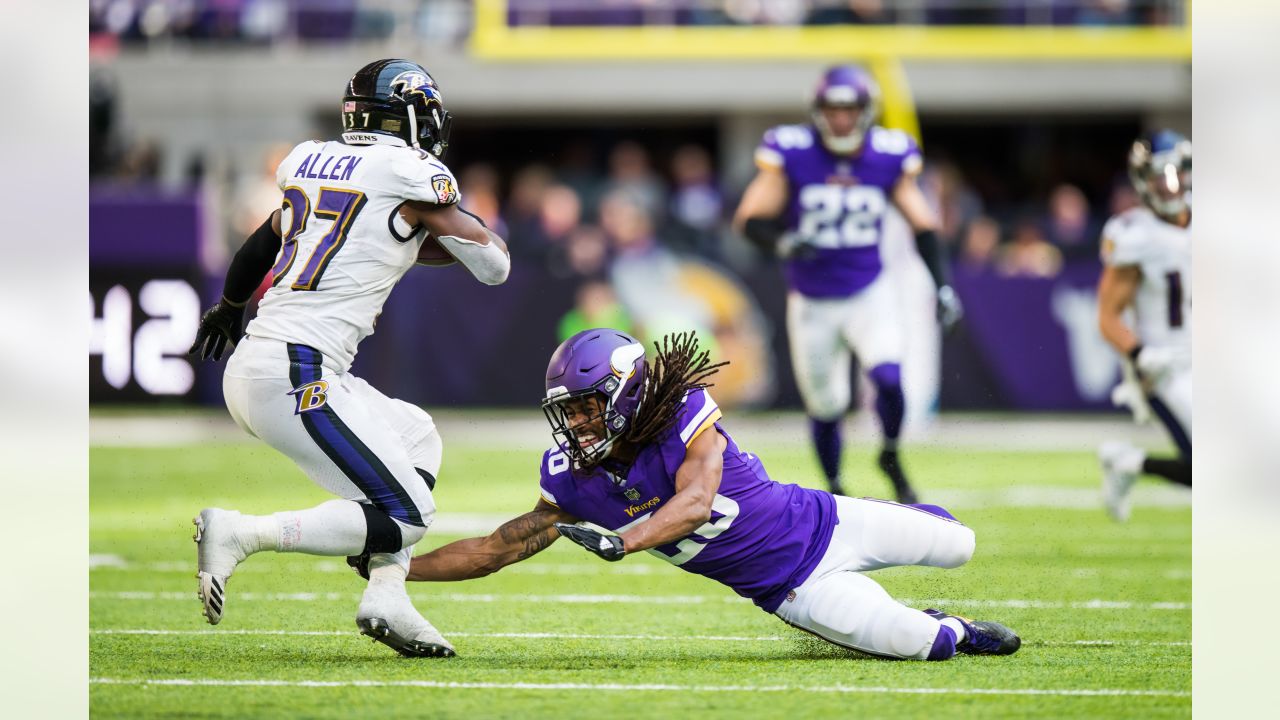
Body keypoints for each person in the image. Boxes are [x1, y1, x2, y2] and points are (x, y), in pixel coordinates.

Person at [355, 329, 1021, 661]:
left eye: (589, 408)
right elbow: (500, 547)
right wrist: (398, 564)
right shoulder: (572, 480)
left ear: (623, 395)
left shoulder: (682, 410)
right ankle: (948, 624)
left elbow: (697, 500)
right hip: (795, 590)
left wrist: (624, 540)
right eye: (571, 412)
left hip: (830, 519)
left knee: (960, 544)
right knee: (924, 644)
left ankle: (914, 564)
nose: (578, 424)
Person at [186, 59, 510, 657]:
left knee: (417, 437)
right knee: (410, 512)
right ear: (412, 116)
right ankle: (242, 533)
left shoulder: (310, 158)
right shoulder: (407, 169)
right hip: (296, 369)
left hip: (273, 359)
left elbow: (263, 240)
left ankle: (386, 594)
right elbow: (494, 267)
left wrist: (229, 306)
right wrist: (463, 230)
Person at [732, 65, 962, 502]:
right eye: (833, 109)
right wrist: (782, 241)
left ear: (865, 112)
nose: (841, 119)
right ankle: (836, 488)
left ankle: (890, 454)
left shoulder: (888, 155)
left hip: (867, 292)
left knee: (890, 378)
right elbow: (748, 219)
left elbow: (924, 225)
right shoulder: (793, 151)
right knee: (826, 406)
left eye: (850, 109)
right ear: (818, 112)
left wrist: (944, 287)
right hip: (811, 299)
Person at [1096, 130, 1192, 522]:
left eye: (1176, 173)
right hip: (1167, 365)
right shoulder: (1136, 235)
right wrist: (1140, 354)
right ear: (1142, 182)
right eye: (1159, 176)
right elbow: (1107, 317)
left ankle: (1128, 462)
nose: (1170, 185)